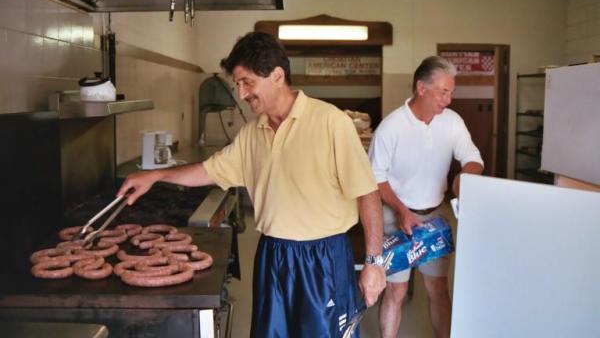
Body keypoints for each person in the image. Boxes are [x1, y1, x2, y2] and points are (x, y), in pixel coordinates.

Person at [117, 32, 386, 337]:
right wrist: (155, 176)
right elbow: (208, 171)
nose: (241, 93)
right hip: (274, 255)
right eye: (238, 84)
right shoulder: (251, 133)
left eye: (247, 82)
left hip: (323, 257)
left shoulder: (330, 123)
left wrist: (374, 262)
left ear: (277, 75)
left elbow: (368, 193)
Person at [368, 56, 484, 338]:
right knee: (397, 289)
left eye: (451, 92)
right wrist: (401, 209)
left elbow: (473, 158)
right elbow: (375, 178)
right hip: (396, 215)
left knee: (438, 288)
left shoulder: (452, 122)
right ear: (421, 88)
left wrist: (465, 178)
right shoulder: (392, 126)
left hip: (434, 216)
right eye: (444, 92)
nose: (449, 99)